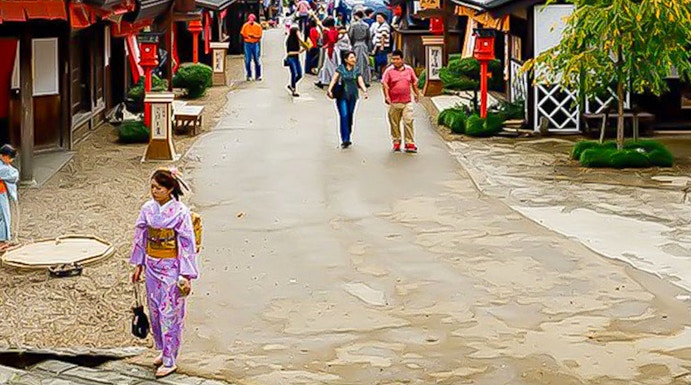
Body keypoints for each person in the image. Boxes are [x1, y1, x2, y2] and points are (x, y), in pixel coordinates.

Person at [130, 168, 199, 378]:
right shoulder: (147, 209)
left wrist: (186, 275)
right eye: (152, 187)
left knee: (169, 311)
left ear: (170, 190)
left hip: (171, 267)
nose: (154, 191)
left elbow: (187, 243)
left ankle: (170, 359)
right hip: (151, 264)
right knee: (155, 310)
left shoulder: (180, 212)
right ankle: (163, 349)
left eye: (158, 188)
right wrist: (138, 264)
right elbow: (140, 235)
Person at [327, 51, 369, 148]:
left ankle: (348, 134)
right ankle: (345, 139)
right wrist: (330, 90)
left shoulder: (356, 70)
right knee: (344, 115)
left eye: (354, 57)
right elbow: (334, 79)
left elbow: (360, 81)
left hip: (353, 96)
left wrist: (365, 91)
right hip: (342, 96)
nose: (354, 59)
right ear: (346, 60)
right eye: (351, 58)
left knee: (350, 116)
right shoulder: (340, 69)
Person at [382, 50, 420, 153]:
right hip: (394, 102)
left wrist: (416, 94)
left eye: (397, 59)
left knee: (408, 120)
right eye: (393, 59)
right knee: (394, 123)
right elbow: (385, 84)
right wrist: (386, 96)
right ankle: (396, 141)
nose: (395, 61)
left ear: (402, 59)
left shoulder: (409, 70)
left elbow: (414, 82)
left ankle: (409, 143)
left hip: (407, 101)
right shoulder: (389, 71)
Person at [0, 145, 18, 250]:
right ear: (4, 156)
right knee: (3, 216)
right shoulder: (2, 168)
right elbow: (14, 174)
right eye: (10, 157)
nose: (11, 160)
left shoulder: (3, 165)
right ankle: (2, 241)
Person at [348, 10, 372, 87]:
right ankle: (365, 80)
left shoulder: (353, 25)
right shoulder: (366, 25)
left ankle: (356, 80)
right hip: (364, 45)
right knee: (365, 63)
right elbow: (369, 37)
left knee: (355, 62)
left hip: (356, 45)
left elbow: (350, 36)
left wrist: (352, 44)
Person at [316, 17, 338, 88]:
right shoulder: (334, 30)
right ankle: (322, 80)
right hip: (332, 49)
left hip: (330, 50)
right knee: (326, 66)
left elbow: (332, 40)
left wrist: (326, 45)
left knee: (329, 66)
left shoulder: (329, 31)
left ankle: (331, 81)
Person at [240, 14, 263, 81]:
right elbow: (243, 34)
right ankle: (249, 75)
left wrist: (253, 36)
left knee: (256, 59)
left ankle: (258, 75)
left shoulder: (258, 26)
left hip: (255, 43)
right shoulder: (245, 26)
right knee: (247, 60)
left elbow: (260, 36)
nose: (251, 22)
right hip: (247, 43)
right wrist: (247, 37)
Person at [286, 26, 306, 97]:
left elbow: (302, 45)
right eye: (297, 32)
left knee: (300, 74)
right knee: (294, 73)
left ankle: (292, 85)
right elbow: (289, 53)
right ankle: (294, 90)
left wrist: (306, 46)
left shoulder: (297, 40)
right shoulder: (289, 40)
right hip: (291, 58)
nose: (299, 33)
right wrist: (299, 52)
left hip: (296, 58)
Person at [372, 13, 391, 79]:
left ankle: (383, 76)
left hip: (383, 46)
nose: (378, 19)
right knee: (379, 61)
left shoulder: (385, 26)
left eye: (379, 18)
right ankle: (380, 75)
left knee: (383, 62)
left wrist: (382, 46)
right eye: (377, 18)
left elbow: (383, 36)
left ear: (383, 18)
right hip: (378, 46)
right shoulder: (379, 26)